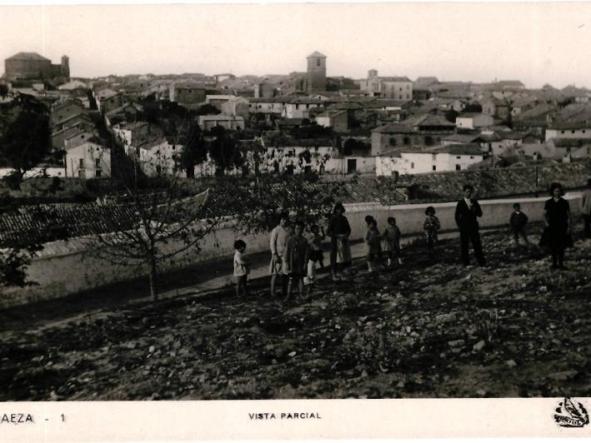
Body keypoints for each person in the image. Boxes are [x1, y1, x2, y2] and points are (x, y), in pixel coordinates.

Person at [455, 184, 486, 266]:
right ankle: (466, 263)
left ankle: (481, 262)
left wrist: (474, 210)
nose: (468, 193)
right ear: (464, 192)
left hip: (473, 227)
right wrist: (460, 226)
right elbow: (456, 216)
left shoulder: (475, 202)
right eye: (467, 192)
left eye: (470, 192)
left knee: (477, 245)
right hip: (464, 227)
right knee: (464, 246)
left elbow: (480, 214)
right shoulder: (460, 203)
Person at [544, 182, 571, 270]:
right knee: (553, 246)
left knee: (561, 246)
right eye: (555, 191)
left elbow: (569, 215)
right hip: (552, 226)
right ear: (552, 192)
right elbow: (544, 214)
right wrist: (546, 223)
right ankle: (554, 264)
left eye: (559, 191)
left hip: (562, 226)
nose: (557, 193)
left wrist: (569, 226)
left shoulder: (564, 202)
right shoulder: (548, 202)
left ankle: (561, 264)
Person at [284, 221, 309, 302]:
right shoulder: (290, 240)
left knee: (301, 278)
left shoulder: (304, 240)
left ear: (302, 230)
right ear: (294, 229)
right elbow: (287, 252)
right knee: (291, 279)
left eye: (300, 229)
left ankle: (301, 294)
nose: (298, 230)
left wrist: (305, 263)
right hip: (292, 263)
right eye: (297, 228)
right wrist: (287, 263)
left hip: (300, 263)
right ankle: (288, 295)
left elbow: (306, 253)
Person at [327, 202, 352, 281]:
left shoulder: (344, 219)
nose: (340, 211)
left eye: (341, 209)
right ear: (336, 210)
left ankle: (343, 273)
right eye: (338, 209)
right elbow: (328, 231)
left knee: (345, 257)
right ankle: (334, 274)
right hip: (336, 241)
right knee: (336, 257)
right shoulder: (333, 219)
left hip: (344, 240)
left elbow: (348, 229)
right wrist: (337, 236)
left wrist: (345, 235)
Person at [269, 212, 290, 298]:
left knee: (286, 273)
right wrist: (274, 254)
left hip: (285, 255)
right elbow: (272, 242)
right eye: (282, 219)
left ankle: (284, 291)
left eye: (285, 219)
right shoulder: (276, 230)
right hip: (277, 254)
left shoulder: (288, 230)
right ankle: (272, 292)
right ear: (280, 220)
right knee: (275, 274)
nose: (284, 221)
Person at [304, 224, 325, 290]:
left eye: (317, 229)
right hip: (312, 252)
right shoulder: (310, 235)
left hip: (317, 251)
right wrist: (313, 239)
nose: (317, 230)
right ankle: (309, 282)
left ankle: (312, 281)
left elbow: (323, 238)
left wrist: (323, 230)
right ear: (312, 230)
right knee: (310, 265)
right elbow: (307, 242)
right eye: (316, 229)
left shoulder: (318, 235)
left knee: (314, 266)